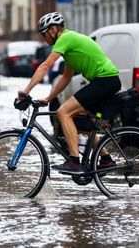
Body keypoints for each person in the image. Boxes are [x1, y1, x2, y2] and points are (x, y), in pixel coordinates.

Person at [18, 12, 121, 174]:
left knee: (63, 112)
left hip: (105, 80)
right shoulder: (69, 47)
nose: (44, 39)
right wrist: (48, 98)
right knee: (81, 122)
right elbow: (66, 78)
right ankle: (107, 160)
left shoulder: (65, 39)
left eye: (44, 34)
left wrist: (26, 90)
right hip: (105, 81)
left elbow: (45, 66)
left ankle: (74, 162)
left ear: (53, 30)